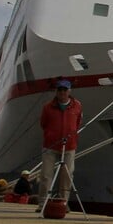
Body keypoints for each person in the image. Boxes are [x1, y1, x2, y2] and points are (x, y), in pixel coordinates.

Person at [36, 78, 82, 212]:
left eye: (65, 90)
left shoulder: (77, 105)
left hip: (69, 146)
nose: (62, 92)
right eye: (60, 90)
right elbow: (43, 124)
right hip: (50, 145)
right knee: (46, 175)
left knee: (67, 175)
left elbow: (78, 122)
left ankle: (63, 202)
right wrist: (51, 135)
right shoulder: (48, 107)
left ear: (69, 91)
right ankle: (42, 203)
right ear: (56, 91)